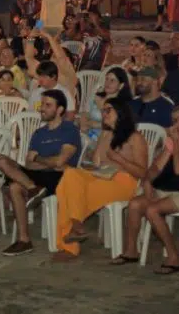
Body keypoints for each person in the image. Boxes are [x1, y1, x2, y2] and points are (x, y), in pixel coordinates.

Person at [114, 104, 179, 273]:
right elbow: (156, 167)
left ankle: (173, 257)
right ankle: (131, 251)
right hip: (171, 186)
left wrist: (176, 144)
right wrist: (147, 182)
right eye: (174, 121)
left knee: (153, 210)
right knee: (135, 204)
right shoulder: (173, 141)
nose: (177, 125)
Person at [54, 99, 149, 261]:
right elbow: (98, 164)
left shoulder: (135, 138)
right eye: (103, 110)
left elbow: (142, 172)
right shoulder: (106, 134)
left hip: (124, 182)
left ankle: (70, 243)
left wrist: (119, 159)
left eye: (108, 110)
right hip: (102, 176)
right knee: (70, 175)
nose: (103, 114)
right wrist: (93, 156)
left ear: (120, 113)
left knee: (68, 192)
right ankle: (76, 223)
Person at [0, 89, 81, 255]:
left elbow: (60, 162)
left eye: (48, 105)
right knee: (1, 160)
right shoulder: (38, 133)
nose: (42, 108)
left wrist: (40, 160)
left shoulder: (69, 130)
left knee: (14, 187)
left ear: (60, 110)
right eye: (42, 104)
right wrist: (46, 162)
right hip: (38, 176)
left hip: (60, 178)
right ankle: (32, 189)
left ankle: (24, 239)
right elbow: (29, 162)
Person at [78, 67, 132, 142]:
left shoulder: (121, 104)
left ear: (121, 85)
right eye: (107, 79)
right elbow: (85, 112)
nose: (108, 83)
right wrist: (83, 122)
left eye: (112, 80)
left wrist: (100, 107)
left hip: (103, 138)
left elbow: (112, 125)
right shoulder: (97, 96)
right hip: (86, 131)